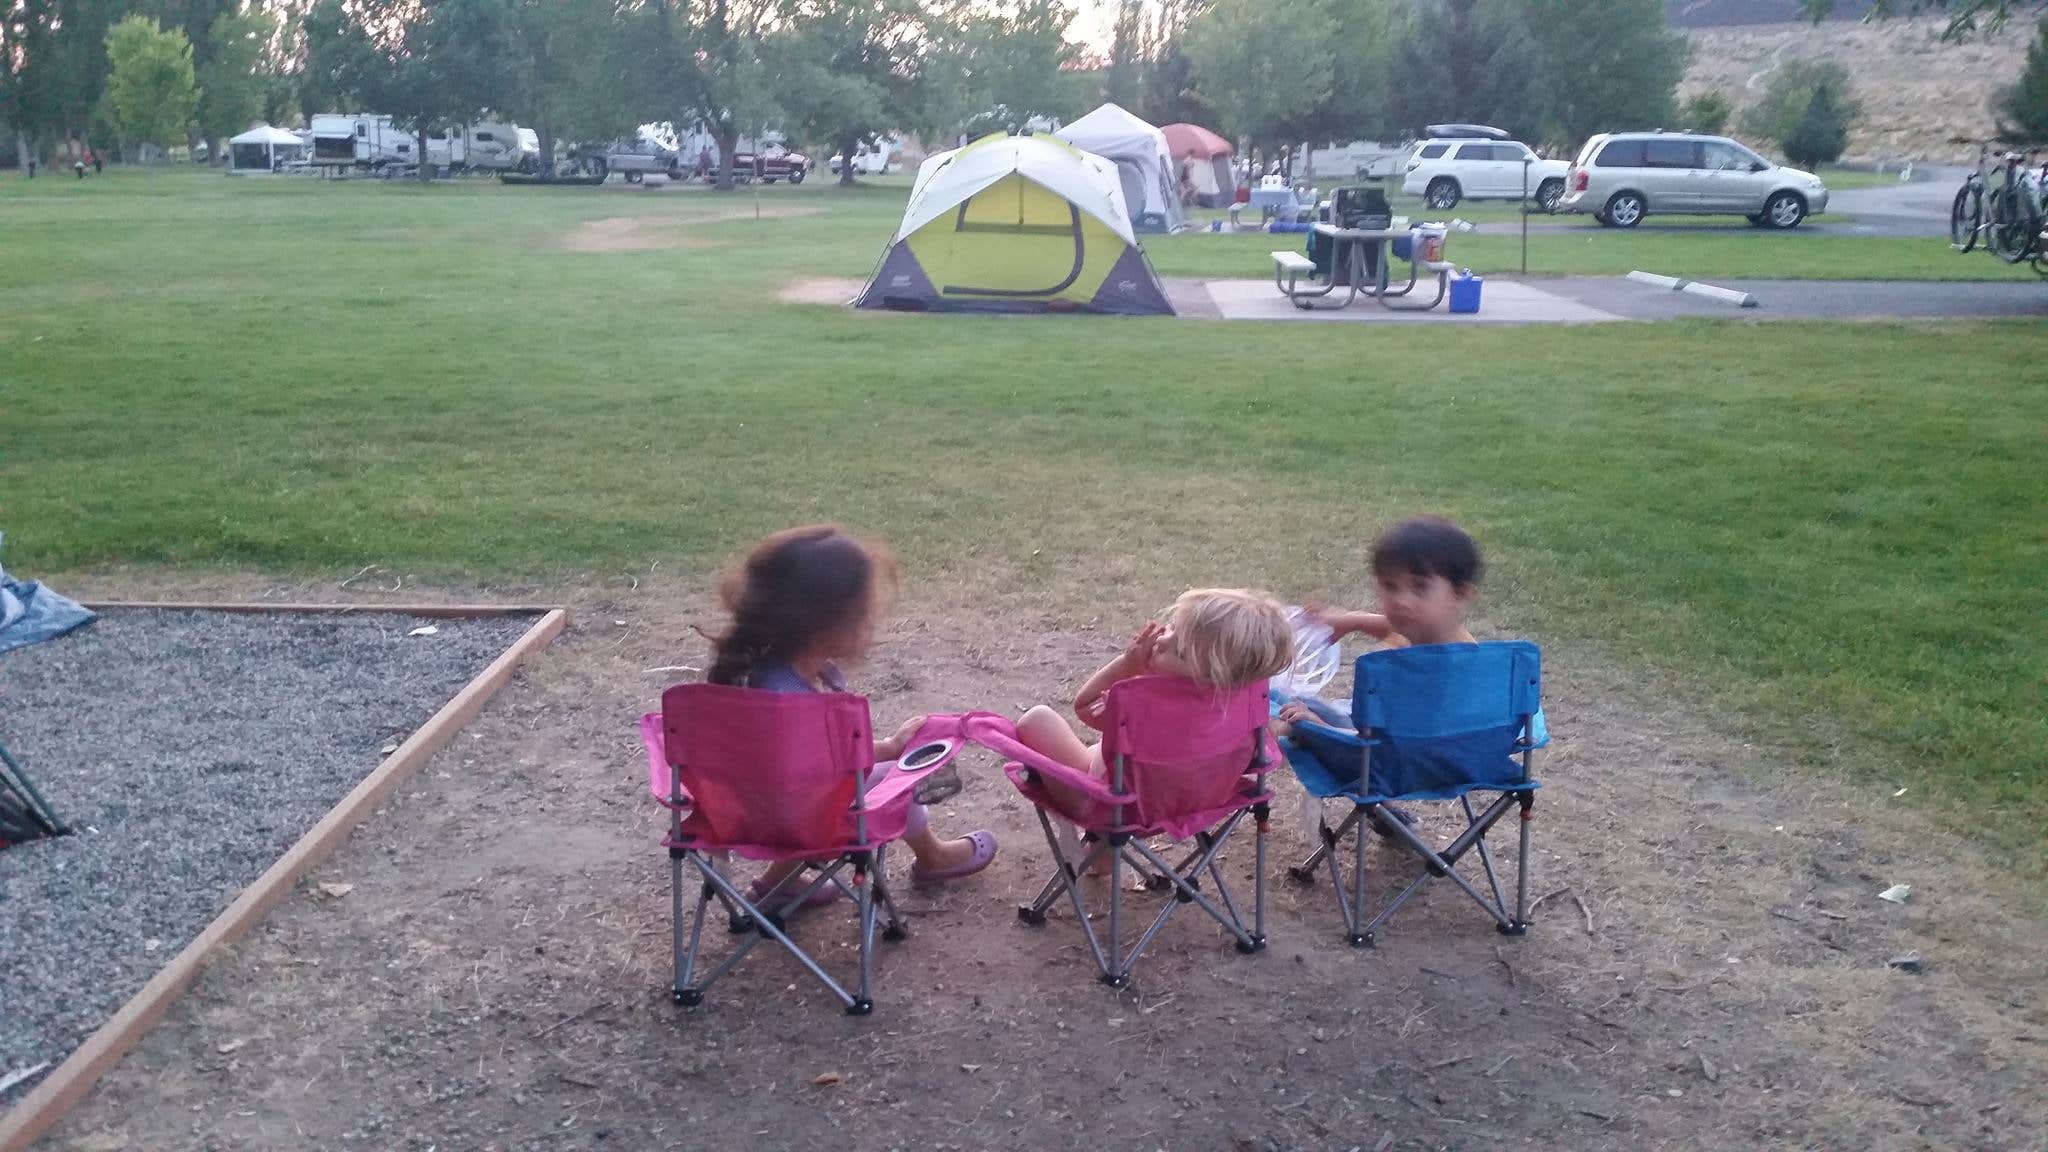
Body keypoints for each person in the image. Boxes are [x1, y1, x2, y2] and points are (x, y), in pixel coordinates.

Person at [704, 525, 997, 902]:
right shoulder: (796, 706)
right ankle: (933, 856)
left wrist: (889, 744)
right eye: (864, 613)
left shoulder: (753, 676)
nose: (869, 625)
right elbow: (835, 767)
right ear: (824, 623)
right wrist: (892, 752)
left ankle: (778, 883)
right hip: (805, 825)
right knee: (897, 779)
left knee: (801, 792)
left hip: (735, 817)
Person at [1016, 588, 1294, 830]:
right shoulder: (1239, 702)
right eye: (1172, 628)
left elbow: (1084, 706)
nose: (1162, 641)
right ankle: (1099, 857)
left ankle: (1099, 845)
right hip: (1190, 802)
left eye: (1181, 652)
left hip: (1110, 805)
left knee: (1038, 718)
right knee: (1113, 752)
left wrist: (1127, 666)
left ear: (1214, 674)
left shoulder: (1143, 703)